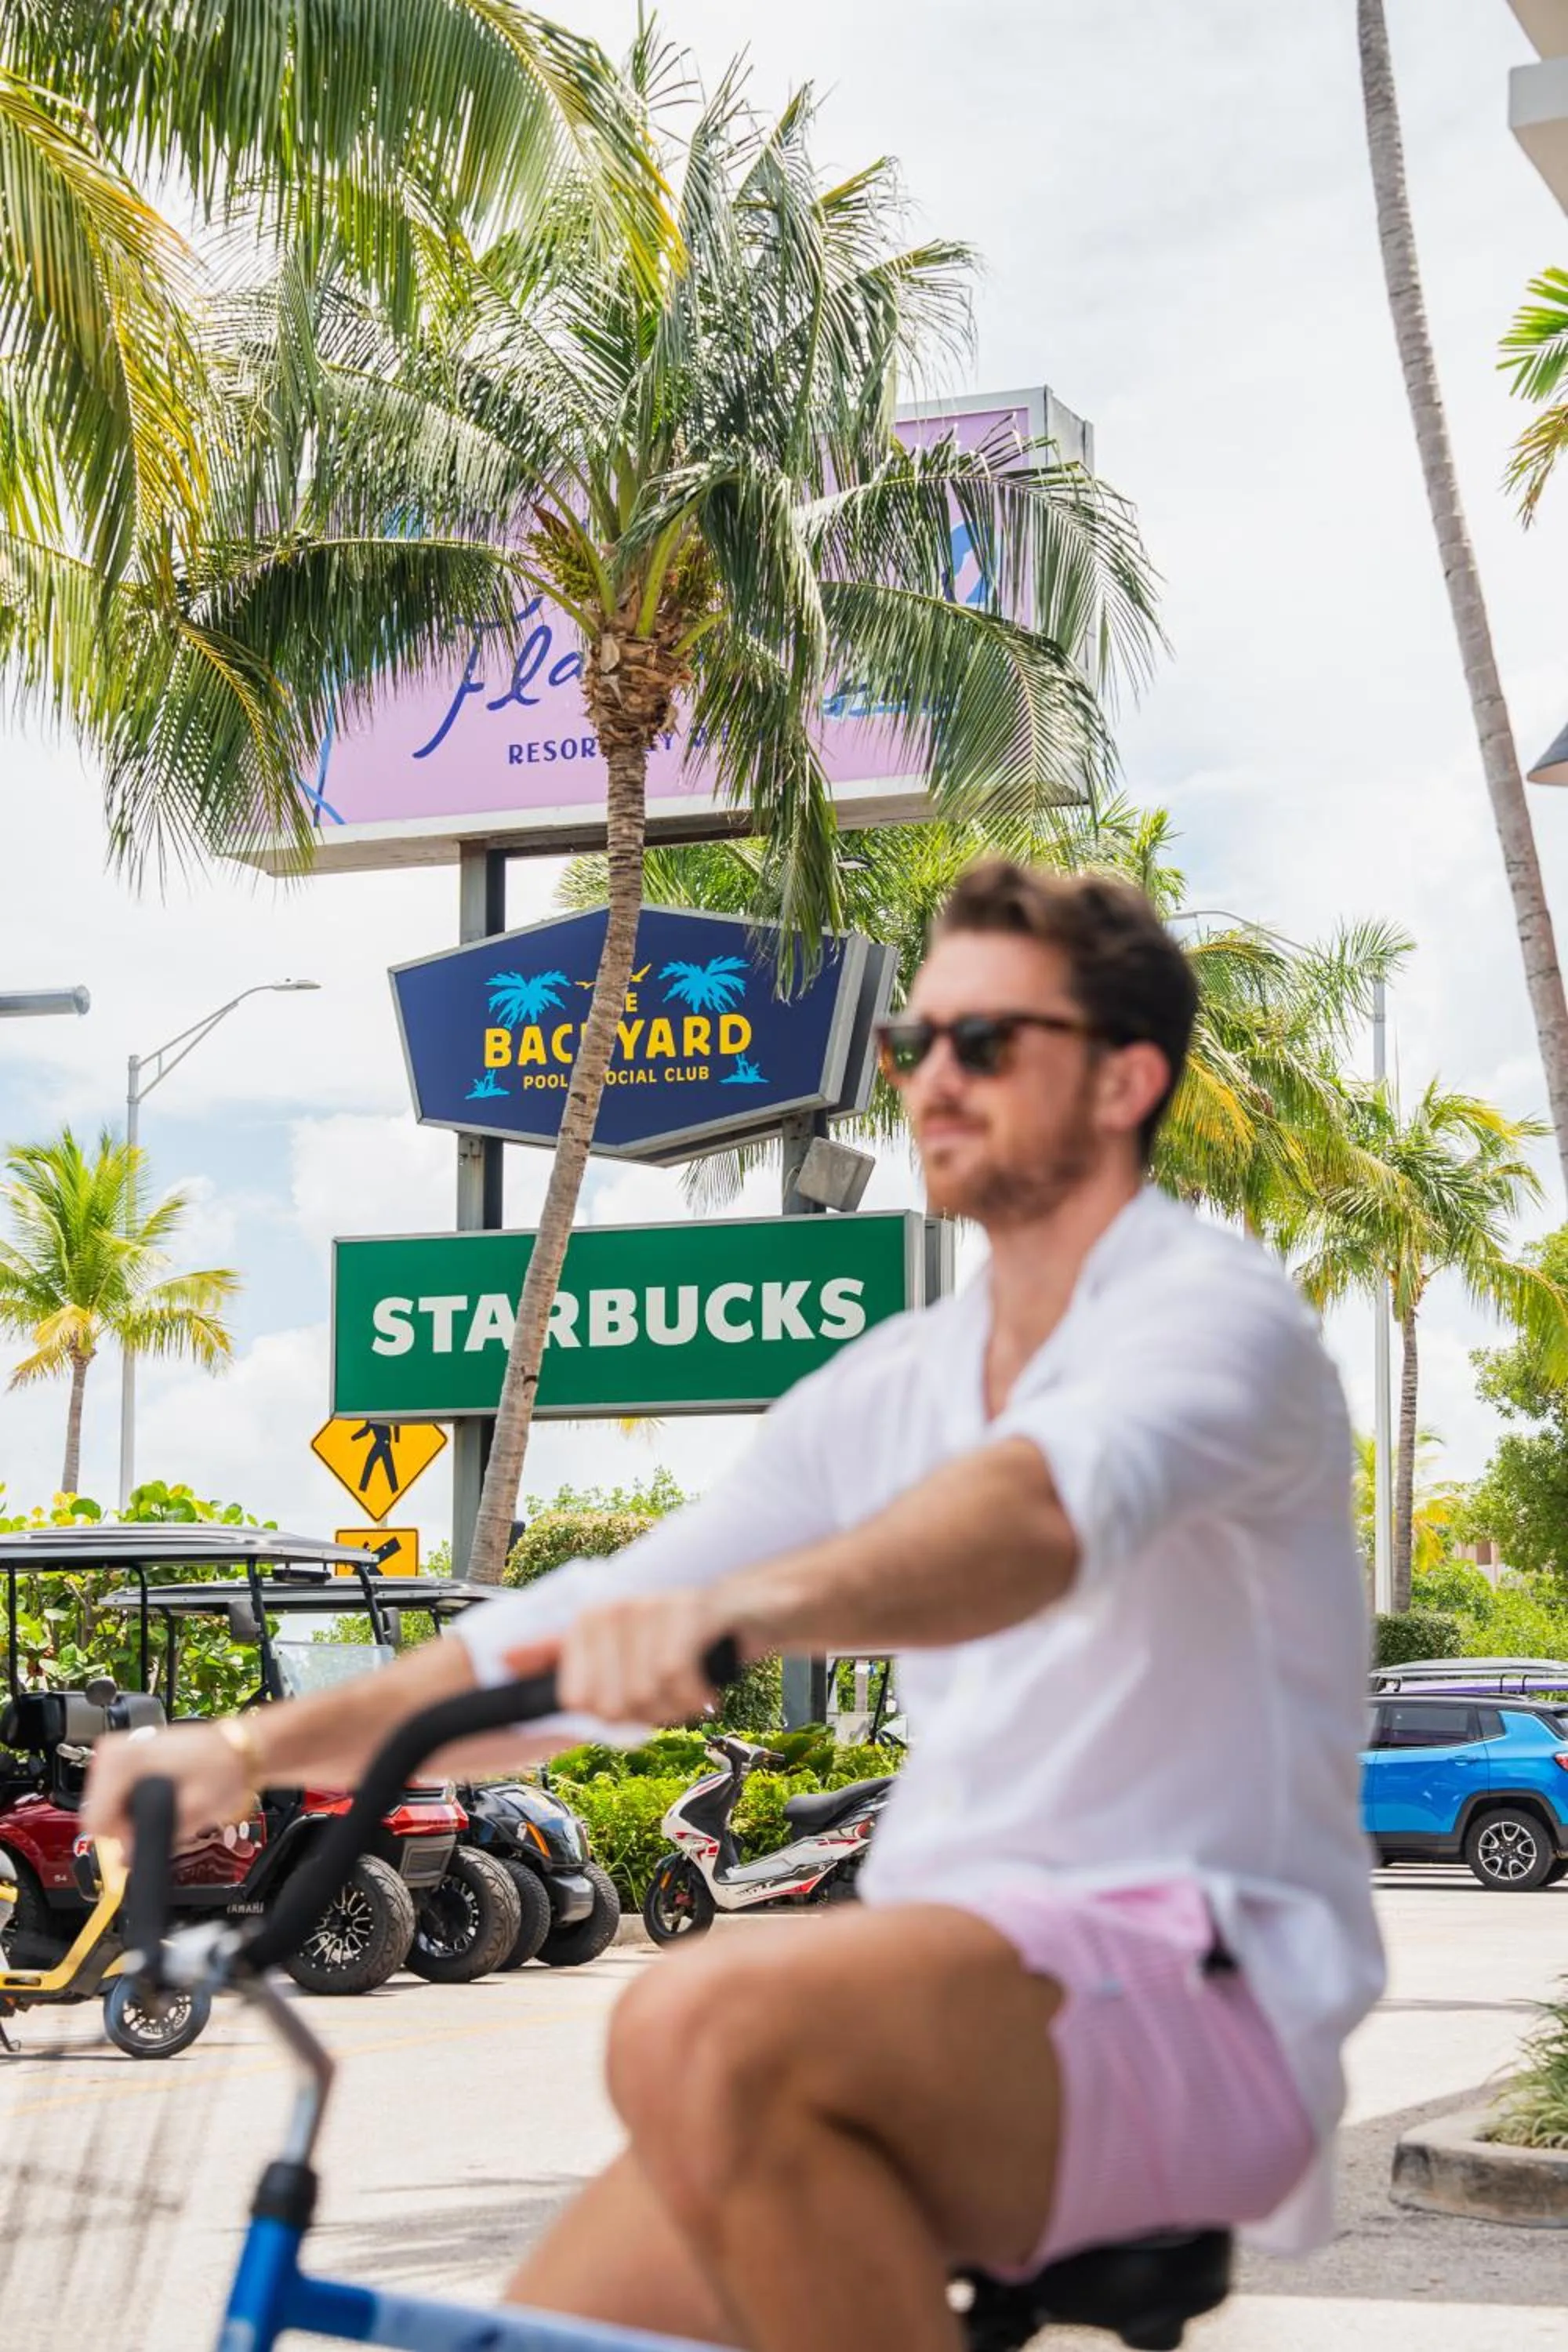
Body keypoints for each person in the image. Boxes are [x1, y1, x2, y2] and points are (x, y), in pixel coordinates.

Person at [85, 863, 1385, 2352]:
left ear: (1124, 1079)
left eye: (987, 1042)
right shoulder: (891, 1386)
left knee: (697, 2022)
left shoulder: (1211, 1319)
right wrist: (248, 1750)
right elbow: (571, 1623)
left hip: (1201, 1995)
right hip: (954, 1976)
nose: (931, 1078)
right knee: (543, 2327)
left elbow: (1037, 1517)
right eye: (914, 1043)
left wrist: (748, 1610)